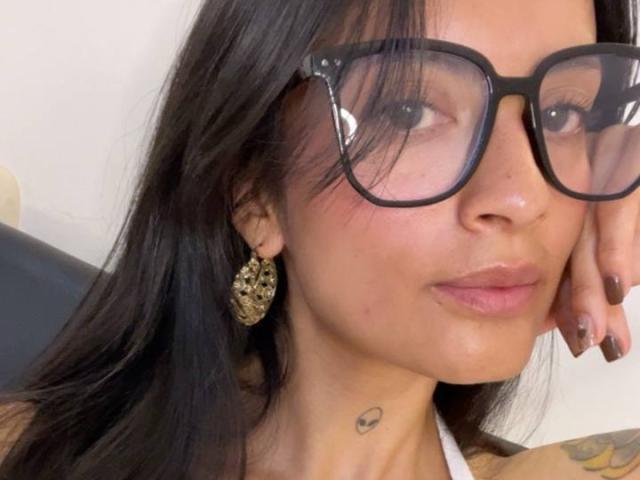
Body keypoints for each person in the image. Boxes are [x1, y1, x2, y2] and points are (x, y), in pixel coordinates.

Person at [1, 0, 639, 478]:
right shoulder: (26, 450)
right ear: (255, 193)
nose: (523, 197)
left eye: (563, 113)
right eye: (409, 111)